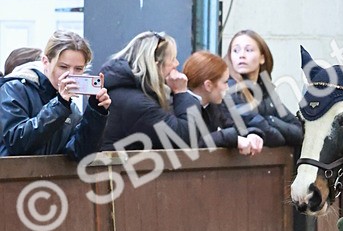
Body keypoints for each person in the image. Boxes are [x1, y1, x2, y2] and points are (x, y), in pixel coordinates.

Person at [0, 31, 110, 160]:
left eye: (78, 69)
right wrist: (60, 105)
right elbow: (17, 142)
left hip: (49, 179)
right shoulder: (14, 89)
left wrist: (96, 112)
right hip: (12, 178)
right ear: (45, 61)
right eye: (63, 67)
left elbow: (80, 153)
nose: (71, 74)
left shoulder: (71, 107)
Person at [101, 31, 198, 149]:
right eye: (172, 59)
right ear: (156, 65)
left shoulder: (128, 92)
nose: (176, 64)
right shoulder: (138, 104)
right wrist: (181, 92)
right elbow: (185, 137)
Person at [226, 29, 303, 148]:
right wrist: (278, 130)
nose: (241, 55)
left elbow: (298, 131)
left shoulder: (267, 92)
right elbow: (271, 136)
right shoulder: (229, 89)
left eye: (248, 50)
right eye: (235, 50)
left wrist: (270, 120)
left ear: (262, 58)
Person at [183, 50, 267, 155]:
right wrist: (232, 139)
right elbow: (195, 141)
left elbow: (234, 126)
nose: (228, 88)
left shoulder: (215, 106)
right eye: (225, 82)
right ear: (208, 85)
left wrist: (251, 134)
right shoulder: (182, 106)